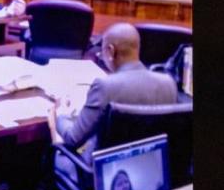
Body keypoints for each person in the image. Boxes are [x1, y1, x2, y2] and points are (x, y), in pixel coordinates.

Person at [48, 23, 178, 167]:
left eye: (101, 52)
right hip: (150, 173)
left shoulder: (105, 86)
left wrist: (59, 114)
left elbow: (73, 139)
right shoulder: (168, 83)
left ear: (110, 51)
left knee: (48, 157)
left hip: (100, 177)